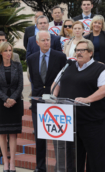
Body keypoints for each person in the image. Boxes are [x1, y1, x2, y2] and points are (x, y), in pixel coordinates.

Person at [52, 39, 105, 172]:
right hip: (70, 122)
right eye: (77, 50)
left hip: (94, 122)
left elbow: (104, 90)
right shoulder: (68, 66)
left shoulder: (101, 69)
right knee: (73, 158)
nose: (78, 53)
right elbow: (57, 83)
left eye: (82, 50)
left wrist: (87, 99)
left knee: (95, 157)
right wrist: (53, 96)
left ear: (90, 53)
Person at [27, 30, 66, 172]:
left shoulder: (60, 57)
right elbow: (34, 80)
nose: (46, 42)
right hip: (38, 102)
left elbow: (63, 78)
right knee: (39, 136)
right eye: (43, 40)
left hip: (55, 103)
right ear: (37, 42)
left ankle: (59, 167)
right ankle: (40, 166)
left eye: (48, 40)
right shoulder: (31, 58)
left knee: (58, 137)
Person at [0, 42, 23, 172]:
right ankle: (5, 163)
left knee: (13, 134)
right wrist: (5, 99)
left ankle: (13, 163)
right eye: (6, 50)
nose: (9, 53)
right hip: (1, 103)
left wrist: (13, 99)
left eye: (10, 50)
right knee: (2, 134)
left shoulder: (18, 66)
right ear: (1, 52)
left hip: (15, 103)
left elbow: (20, 85)